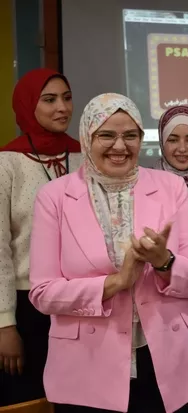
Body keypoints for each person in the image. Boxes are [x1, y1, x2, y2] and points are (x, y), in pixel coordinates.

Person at [28, 93, 188, 413]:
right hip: (88, 365)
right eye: (106, 135)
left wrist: (164, 262)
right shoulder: (54, 197)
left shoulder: (171, 187)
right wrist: (116, 282)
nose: (120, 146)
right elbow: (43, 293)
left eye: (130, 135)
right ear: (88, 137)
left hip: (167, 360)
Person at [0, 68, 81, 406]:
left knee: (80, 399)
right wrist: (5, 324)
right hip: (27, 305)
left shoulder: (85, 157)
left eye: (67, 97)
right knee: (30, 399)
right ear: (28, 105)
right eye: (49, 100)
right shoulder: (8, 163)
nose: (62, 107)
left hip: (81, 300)